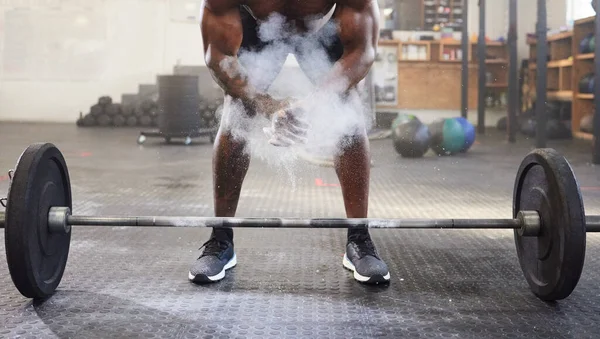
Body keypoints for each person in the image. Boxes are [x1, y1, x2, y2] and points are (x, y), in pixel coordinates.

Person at [189, 0, 390, 284]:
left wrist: (313, 104)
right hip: (256, 29)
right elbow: (218, 56)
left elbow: (361, 52)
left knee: (348, 108)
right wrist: (267, 105)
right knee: (237, 110)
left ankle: (359, 238)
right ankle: (221, 237)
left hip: (321, 29)